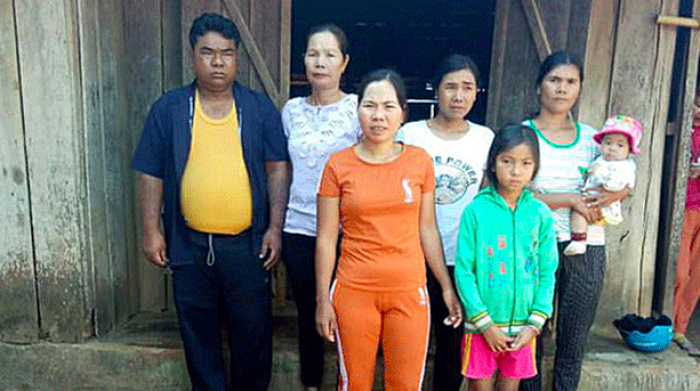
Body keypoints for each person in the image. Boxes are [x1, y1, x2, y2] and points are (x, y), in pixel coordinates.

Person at [131, 13, 290, 391]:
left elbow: (277, 169)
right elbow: (149, 171)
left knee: (252, 337)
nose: (218, 62)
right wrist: (152, 230)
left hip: (247, 246)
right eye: (208, 53)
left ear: (237, 59)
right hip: (189, 246)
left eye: (227, 54)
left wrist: (274, 227)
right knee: (198, 338)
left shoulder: (257, 108)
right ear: (192, 58)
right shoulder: (169, 110)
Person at [314, 69, 463, 391]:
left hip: (409, 290)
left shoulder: (418, 162)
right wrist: (322, 300)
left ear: (402, 115)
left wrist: (446, 287)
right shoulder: (337, 166)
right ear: (358, 110)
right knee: (354, 384)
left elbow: (428, 230)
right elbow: (326, 239)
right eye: (370, 106)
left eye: (388, 106)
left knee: (406, 385)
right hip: (354, 291)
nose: (378, 116)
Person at [518, 51, 630, 391]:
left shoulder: (595, 139)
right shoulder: (523, 135)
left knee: (573, 336)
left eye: (571, 82)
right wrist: (567, 199)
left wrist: (613, 196)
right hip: (534, 246)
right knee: (528, 332)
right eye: (554, 80)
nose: (562, 89)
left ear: (579, 88)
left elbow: (617, 179)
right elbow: (514, 194)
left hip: (586, 247)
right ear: (539, 86)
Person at [395, 54, 493, 391]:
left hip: (464, 259)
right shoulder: (410, 134)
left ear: (477, 92)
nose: (459, 95)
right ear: (435, 90)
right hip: (414, 257)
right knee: (411, 343)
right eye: (450, 86)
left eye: (467, 87)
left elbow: (486, 199)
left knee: (453, 345)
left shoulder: (484, 138)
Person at [281, 24, 360, 391]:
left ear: (344, 62)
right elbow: (282, 169)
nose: (320, 62)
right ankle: (311, 385)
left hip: (347, 230)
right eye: (313, 54)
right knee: (309, 311)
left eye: (329, 55)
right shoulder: (291, 110)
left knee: (347, 312)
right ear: (304, 60)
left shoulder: (358, 108)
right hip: (298, 227)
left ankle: (350, 382)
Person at [455, 124, 558, 391]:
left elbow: (548, 272)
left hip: (524, 328)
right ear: (492, 162)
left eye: (526, 163)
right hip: (482, 328)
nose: (515, 171)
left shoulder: (540, 214)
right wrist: (484, 323)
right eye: (507, 161)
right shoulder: (476, 211)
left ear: (535, 167)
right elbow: (464, 272)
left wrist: (535, 324)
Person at [563, 115, 642, 256]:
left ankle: (580, 241)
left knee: (580, 213)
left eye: (620, 145)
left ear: (629, 150)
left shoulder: (624, 167)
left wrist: (600, 175)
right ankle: (579, 241)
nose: (612, 148)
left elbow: (618, 185)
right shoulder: (601, 159)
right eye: (608, 143)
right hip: (590, 199)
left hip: (604, 204)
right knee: (578, 214)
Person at [673, 88, 700, 356]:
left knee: (697, 276)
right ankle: (667, 323)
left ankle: (680, 329)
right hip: (686, 209)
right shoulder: (684, 132)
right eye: (698, 104)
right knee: (681, 272)